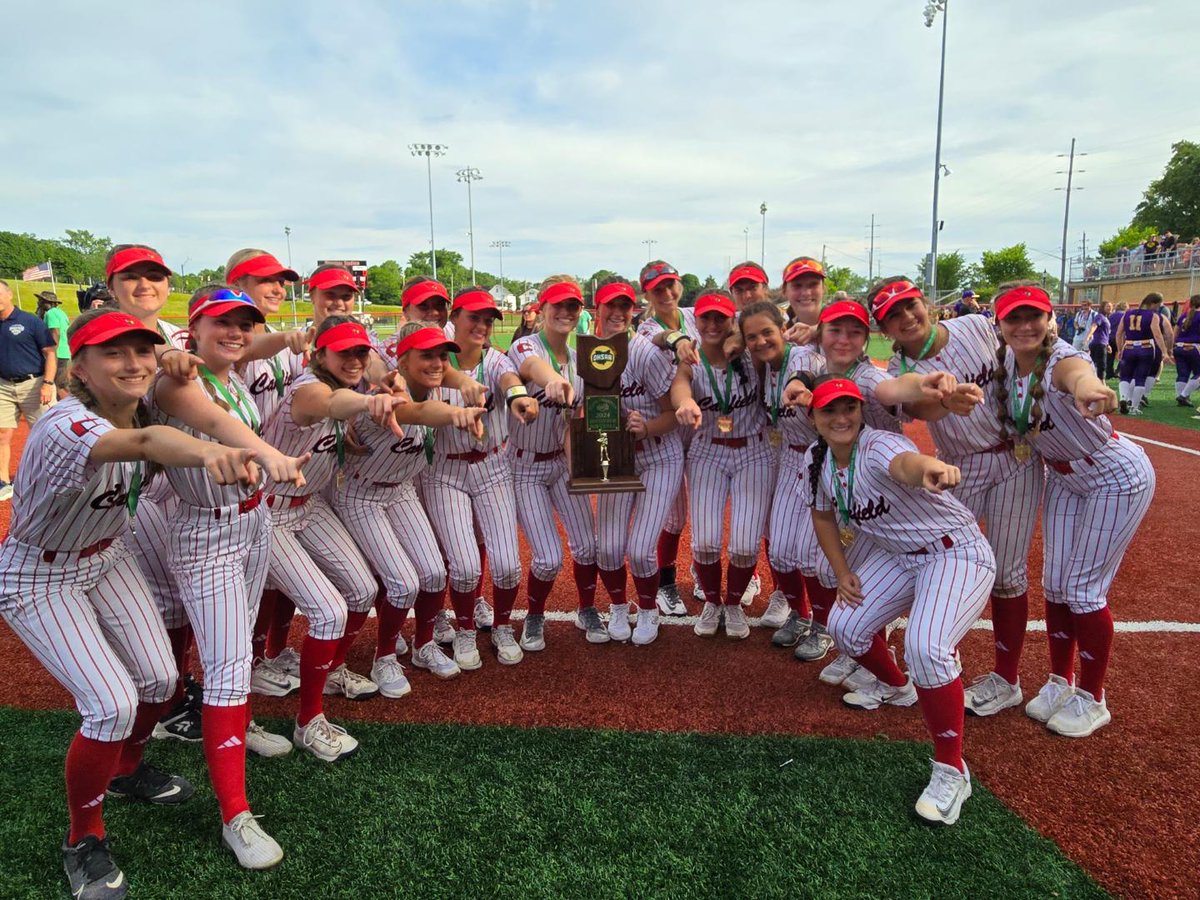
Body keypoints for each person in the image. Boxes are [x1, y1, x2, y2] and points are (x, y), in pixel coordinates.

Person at [0, 309, 263, 897]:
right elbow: (145, 441)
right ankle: (83, 838)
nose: (132, 363)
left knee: (159, 679)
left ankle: (125, 769)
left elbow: (179, 387)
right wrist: (207, 454)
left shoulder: (142, 397)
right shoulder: (66, 422)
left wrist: (173, 360)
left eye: (141, 351)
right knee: (110, 704)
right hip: (40, 574)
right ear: (81, 368)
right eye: (112, 353)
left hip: (107, 556)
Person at [152, 286, 314, 869]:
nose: (237, 332)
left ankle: (238, 726)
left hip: (253, 523)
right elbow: (213, 419)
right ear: (192, 327)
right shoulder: (176, 379)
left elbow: (253, 351)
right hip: (205, 532)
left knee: (236, 655)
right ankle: (235, 816)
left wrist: (286, 336)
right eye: (223, 323)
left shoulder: (237, 370)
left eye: (245, 324)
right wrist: (269, 453)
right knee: (225, 670)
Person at [806, 376, 995, 825]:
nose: (840, 418)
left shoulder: (877, 446)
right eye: (829, 410)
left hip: (955, 552)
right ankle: (897, 686)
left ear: (860, 411)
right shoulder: (818, 458)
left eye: (848, 408)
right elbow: (822, 514)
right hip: (899, 557)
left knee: (927, 649)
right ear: (813, 418)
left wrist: (928, 467)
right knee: (844, 627)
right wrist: (842, 570)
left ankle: (952, 769)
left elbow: (906, 464)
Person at [872, 277, 1041, 720]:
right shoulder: (897, 370)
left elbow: (1031, 346)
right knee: (932, 557)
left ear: (925, 304)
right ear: (884, 329)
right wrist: (947, 403)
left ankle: (1007, 679)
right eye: (893, 315)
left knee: (1007, 573)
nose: (906, 317)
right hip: (958, 465)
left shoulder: (977, 327)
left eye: (910, 305)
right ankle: (927, 652)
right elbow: (920, 408)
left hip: (1014, 458)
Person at [991, 283, 1154, 736]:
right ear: (1000, 324)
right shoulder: (1005, 360)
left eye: (1034, 316)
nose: (1025, 326)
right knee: (1057, 584)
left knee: (1083, 589)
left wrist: (1091, 389)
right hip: (1063, 476)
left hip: (1111, 474)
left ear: (1051, 320)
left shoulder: (1062, 358)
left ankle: (1093, 696)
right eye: (1014, 318)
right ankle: (1060, 680)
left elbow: (1078, 375)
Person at [259, 316, 410, 761]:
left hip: (308, 506)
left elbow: (350, 396)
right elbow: (329, 401)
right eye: (342, 351)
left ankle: (330, 670)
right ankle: (309, 720)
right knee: (328, 611)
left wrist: (369, 396)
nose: (354, 359)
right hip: (268, 514)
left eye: (361, 352)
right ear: (318, 354)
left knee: (362, 589)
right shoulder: (307, 389)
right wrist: (366, 406)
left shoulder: (358, 385)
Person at [332, 320, 486, 692]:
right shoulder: (387, 397)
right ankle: (383, 658)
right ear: (401, 360)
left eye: (441, 356)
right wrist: (456, 416)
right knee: (402, 584)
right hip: (360, 494)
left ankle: (423, 645)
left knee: (434, 575)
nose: (436, 363)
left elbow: (434, 397)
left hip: (399, 491)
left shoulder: (433, 389)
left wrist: (462, 388)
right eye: (425, 356)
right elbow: (414, 414)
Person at [420, 289, 530, 667]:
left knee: (509, 563)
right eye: (474, 318)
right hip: (444, 470)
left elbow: (509, 380)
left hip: (492, 467)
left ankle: (502, 625)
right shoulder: (435, 360)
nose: (482, 326)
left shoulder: (495, 359)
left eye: (488, 320)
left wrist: (519, 400)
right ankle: (465, 629)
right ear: (454, 316)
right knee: (464, 566)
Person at [508, 277, 605, 648]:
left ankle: (586, 609)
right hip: (525, 466)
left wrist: (581, 470)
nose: (565, 312)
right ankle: (534, 617)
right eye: (558, 305)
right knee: (548, 559)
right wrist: (551, 380)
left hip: (560, 464)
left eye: (573, 306)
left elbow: (572, 422)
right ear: (543, 308)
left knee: (587, 546)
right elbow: (533, 367)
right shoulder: (525, 344)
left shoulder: (581, 359)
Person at [670, 291, 774, 639]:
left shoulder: (749, 354)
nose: (712, 325)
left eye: (721, 318)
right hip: (707, 451)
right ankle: (713, 601)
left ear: (733, 321)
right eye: (705, 318)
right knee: (705, 542)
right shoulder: (692, 358)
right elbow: (681, 386)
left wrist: (741, 338)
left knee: (745, 544)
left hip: (753, 451)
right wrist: (684, 403)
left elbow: (772, 333)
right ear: (695, 322)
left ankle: (733, 603)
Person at [592, 277, 682, 644]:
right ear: (595, 309)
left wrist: (646, 429)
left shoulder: (645, 352)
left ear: (633, 311)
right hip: (614, 457)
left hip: (659, 454)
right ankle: (617, 606)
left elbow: (673, 414)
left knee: (640, 547)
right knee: (609, 547)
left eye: (624, 306)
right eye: (609, 305)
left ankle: (647, 609)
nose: (617, 313)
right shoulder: (588, 353)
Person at [634, 260, 699, 616]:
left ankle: (702, 571)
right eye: (658, 288)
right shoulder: (646, 328)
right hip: (672, 428)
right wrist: (676, 338)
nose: (668, 293)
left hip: (704, 425)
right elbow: (658, 338)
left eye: (671, 284)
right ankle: (666, 582)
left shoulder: (694, 314)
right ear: (647, 293)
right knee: (675, 518)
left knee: (707, 509)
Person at [0, 278, 56, 500]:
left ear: (9, 294)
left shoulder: (30, 321)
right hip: (3, 385)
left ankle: (50, 480)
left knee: (45, 434)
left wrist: (48, 383)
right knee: (2, 434)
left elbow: (50, 353)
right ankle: (3, 481)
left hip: (34, 384)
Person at [1115, 292, 1173, 415]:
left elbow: (1119, 333)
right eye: (1157, 306)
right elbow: (1157, 334)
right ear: (1152, 304)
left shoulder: (1127, 313)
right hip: (1146, 347)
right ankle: (1134, 407)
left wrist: (1120, 349)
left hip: (1129, 347)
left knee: (1125, 376)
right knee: (1140, 378)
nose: (1157, 308)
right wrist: (1165, 351)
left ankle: (1123, 398)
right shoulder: (1153, 316)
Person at [37, 290, 72, 400]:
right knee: (63, 383)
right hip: (66, 352)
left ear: (46, 302)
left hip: (59, 354)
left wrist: (52, 352)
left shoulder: (50, 313)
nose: (39, 303)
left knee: (59, 385)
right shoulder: (61, 313)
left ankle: (67, 410)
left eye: (41, 301)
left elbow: (55, 332)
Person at [1173, 295, 1200, 407]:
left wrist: (1172, 346)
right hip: (1193, 347)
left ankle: (1181, 396)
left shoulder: (1185, 315)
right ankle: (1183, 395)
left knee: (1182, 374)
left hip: (1179, 347)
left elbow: (1176, 331)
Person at [1087, 301, 1111, 379]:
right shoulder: (1099, 316)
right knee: (1101, 365)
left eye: (1111, 306)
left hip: (1102, 343)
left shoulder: (1106, 318)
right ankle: (1101, 383)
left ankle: (1093, 381)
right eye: (1107, 306)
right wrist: (1088, 336)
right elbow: (1094, 326)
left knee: (1097, 365)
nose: (1110, 308)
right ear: (1103, 307)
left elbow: (1104, 333)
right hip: (1098, 344)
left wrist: (1107, 345)